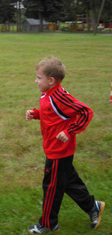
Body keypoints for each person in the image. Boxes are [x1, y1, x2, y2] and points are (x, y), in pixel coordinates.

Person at [26, 57, 105, 234]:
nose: (36, 81)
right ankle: (93, 206)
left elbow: (86, 111)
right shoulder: (47, 94)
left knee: (52, 188)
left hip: (59, 151)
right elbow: (52, 115)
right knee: (68, 183)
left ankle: (48, 223)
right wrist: (35, 113)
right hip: (54, 149)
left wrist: (70, 131)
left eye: (39, 77)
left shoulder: (60, 96)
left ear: (51, 80)